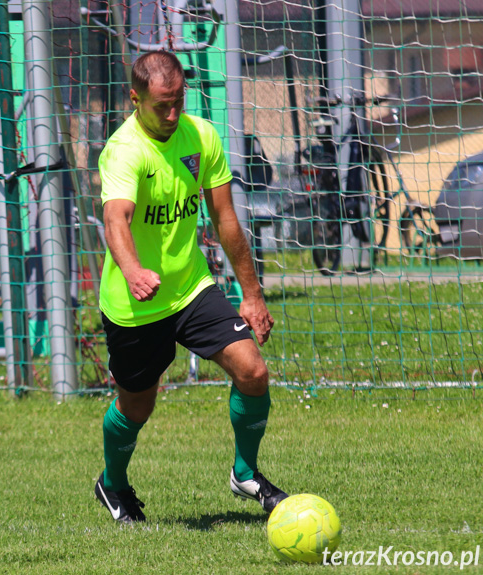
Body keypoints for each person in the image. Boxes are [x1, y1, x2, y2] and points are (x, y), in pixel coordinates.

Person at [94, 51, 288, 524]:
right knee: (137, 406)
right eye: (162, 105)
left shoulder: (201, 135)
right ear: (135, 100)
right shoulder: (124, 151)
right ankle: (112, 483)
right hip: (135, 303)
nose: (173, 114)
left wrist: (252, 293)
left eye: (179, 101)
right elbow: (115, 218)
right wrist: (135, 270)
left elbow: (225, 218)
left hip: (191, 287)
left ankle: (245, 472)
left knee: (253, 370)